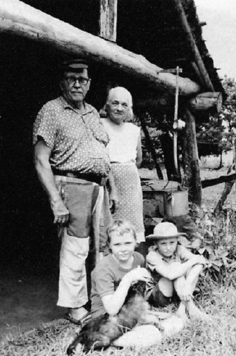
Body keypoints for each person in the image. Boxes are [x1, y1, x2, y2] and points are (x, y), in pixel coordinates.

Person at [33, 58, 117, 325]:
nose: (78, 84)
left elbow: (102, 152)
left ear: (89, 84)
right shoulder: (52, 110)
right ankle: (75, 306)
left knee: (103, 244)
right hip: (71, 184)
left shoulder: (92, 112)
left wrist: (111, 187)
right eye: (72, 79)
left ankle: (103, 298)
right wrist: (56, 201)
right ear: (62, 82)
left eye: (83, 79)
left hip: (98, 187)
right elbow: (40, 160)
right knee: (76, 247)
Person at [101, 87, 146, 247]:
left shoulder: (133, 130)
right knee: (109, 229)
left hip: (131, 187)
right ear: (107, 105)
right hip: (108, 183)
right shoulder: (100, 125)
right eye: (115, 103)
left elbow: (138, 159)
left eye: (124, 105)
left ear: (129, 109)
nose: (119, 108)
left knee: (131, 229)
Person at [145, 222, 209, 320]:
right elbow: (170, 275)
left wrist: (187, 284)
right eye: (163, 244)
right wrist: (191, 261)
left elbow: (200, 262)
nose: (168, 247)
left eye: (172, 242)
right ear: (156, 243)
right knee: (177, 267)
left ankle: (182, 308)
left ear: (177, 241)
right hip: (160, 295)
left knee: (189, 267)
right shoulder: (152, 256)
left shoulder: (179, 249)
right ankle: (191, 308)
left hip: (180, 291)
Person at [90, 219, 152, 319]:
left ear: (136, 242)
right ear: (109, 245)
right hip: (105, 317)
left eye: (127, 243)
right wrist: (128, 278)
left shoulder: (139, 258)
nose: (123, 249)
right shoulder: (103, 268)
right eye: (117, 244)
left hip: (129, 307)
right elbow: (112, 310)